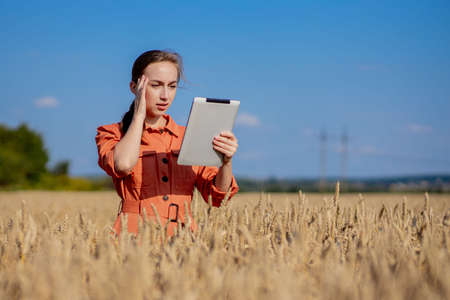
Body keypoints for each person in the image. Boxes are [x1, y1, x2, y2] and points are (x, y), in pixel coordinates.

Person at [95, 50, 239, 237]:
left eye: (172, 86)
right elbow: (122, 165)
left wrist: (226, 162)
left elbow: (218, 198)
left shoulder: (188, 135)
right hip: (132, 238)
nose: (165, 95)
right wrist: (139, 115)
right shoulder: (112, 133)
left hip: (183, 240)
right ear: (134, 87)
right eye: (155, 85)